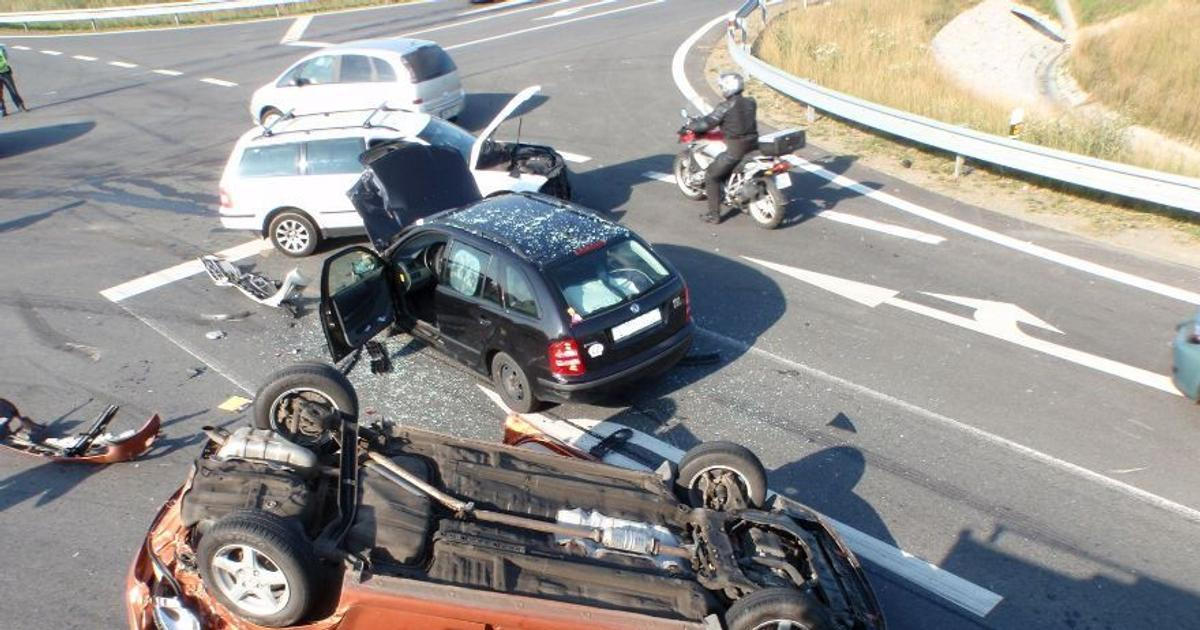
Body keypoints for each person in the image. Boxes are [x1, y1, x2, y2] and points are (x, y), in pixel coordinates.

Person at [686, 72, 757, 223]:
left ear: (727, 88)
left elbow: (707, 123)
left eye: (722, 87)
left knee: (711, 176)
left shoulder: (725, 107)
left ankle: (714, 215)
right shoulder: (751, 102)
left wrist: (692, 126)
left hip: (735, 149)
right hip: (754, 145)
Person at [0, 43, 29, 117]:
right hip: (4, 71)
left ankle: (20, 106)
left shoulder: (1, 48)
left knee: (12, 90)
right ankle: (2, 110)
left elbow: (5, 59)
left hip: (4, 72)